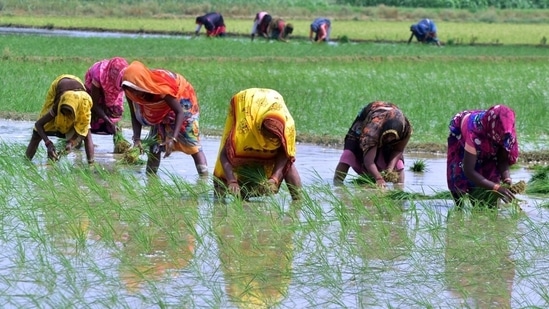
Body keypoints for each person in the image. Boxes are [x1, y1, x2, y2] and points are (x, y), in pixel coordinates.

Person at [121, 60, 208, 176]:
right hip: (159, 110)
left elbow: (179, 112)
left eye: (135, 89)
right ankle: (150, 178)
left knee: (191, 143)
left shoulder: (159, 88)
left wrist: (173, 138)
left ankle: (204, 177)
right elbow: (134, 114)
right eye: (131, 90)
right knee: (155, 144)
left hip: (181, 101)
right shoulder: (130, 92)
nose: (135, 94)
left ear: (141, 82)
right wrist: (136, 139)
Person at [213, 88, 302, 200]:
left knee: (288, 162)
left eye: (275, 139)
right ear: (261, 129)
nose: (268, 143)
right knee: (239, 152)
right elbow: (225, 155)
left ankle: (298, 200)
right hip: (246, 103)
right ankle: (220, 199)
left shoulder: (287, 128)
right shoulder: (245, 130)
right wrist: (232, 181)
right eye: (268, 136)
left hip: (272, 100)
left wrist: (274, 178)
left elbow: (285, 154)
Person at [447, 104, 518, 208]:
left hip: (488, 135)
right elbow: (468, 170)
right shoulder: (474, 132)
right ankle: (459, 209)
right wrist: (497, 188)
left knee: (491, 182)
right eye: (500, 136)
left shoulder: (506, 133)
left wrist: (506, 179)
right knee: (458, 178)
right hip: (463, 136)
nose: (502, 138)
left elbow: (502, 159)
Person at [333, 101, 412, 188]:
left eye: (392, 137)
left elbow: (398, 150)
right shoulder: (372, 129)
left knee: (398, 163)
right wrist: (378, 178)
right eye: (387, 136)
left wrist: (390, 169)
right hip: (365, 125)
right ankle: (337, 184)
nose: (389, 139)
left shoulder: (405, 129)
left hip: (384, 127)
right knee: (349, 155)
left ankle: (399, 187)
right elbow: (369, 161)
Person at [25, 74, 95, 164]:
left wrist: (71, 143)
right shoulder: (59, 103)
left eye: (69, 113)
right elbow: (38, 124)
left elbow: (82, 130)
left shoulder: (85, 104)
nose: (66, 117)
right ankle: (26, 162)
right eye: (63, 112)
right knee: (36, 135)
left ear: (74, 111)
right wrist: (48, 143)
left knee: (87, 132)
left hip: (80, 96)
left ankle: (91, 164)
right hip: (59, 87)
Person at [84, 57, 128, 136]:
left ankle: (111, 127)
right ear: (113, 75)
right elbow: (94, 103)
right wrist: (109, 122)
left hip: (110, 92)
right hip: (95, 94)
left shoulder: (122, 78)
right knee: (93, 119)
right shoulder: (98, 75)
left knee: (115, 112)